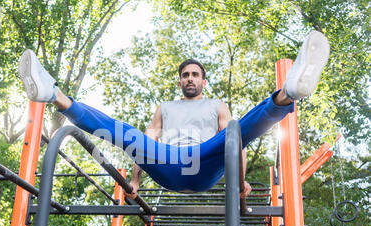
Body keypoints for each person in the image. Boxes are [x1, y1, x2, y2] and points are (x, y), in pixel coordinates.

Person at [17, 31, 329, 199]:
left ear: (203, 81)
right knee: (124, 133)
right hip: (166, 163)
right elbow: (144, 142)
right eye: (185, 75)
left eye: (195, 74)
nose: (190, 78)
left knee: (235, 129)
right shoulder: (165, 108)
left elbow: (235, 143)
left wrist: (239, 183)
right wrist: (135, 182)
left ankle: (288, 92)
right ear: (180, 81)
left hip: (205, 163)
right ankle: (53, 94)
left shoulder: (217, 106)